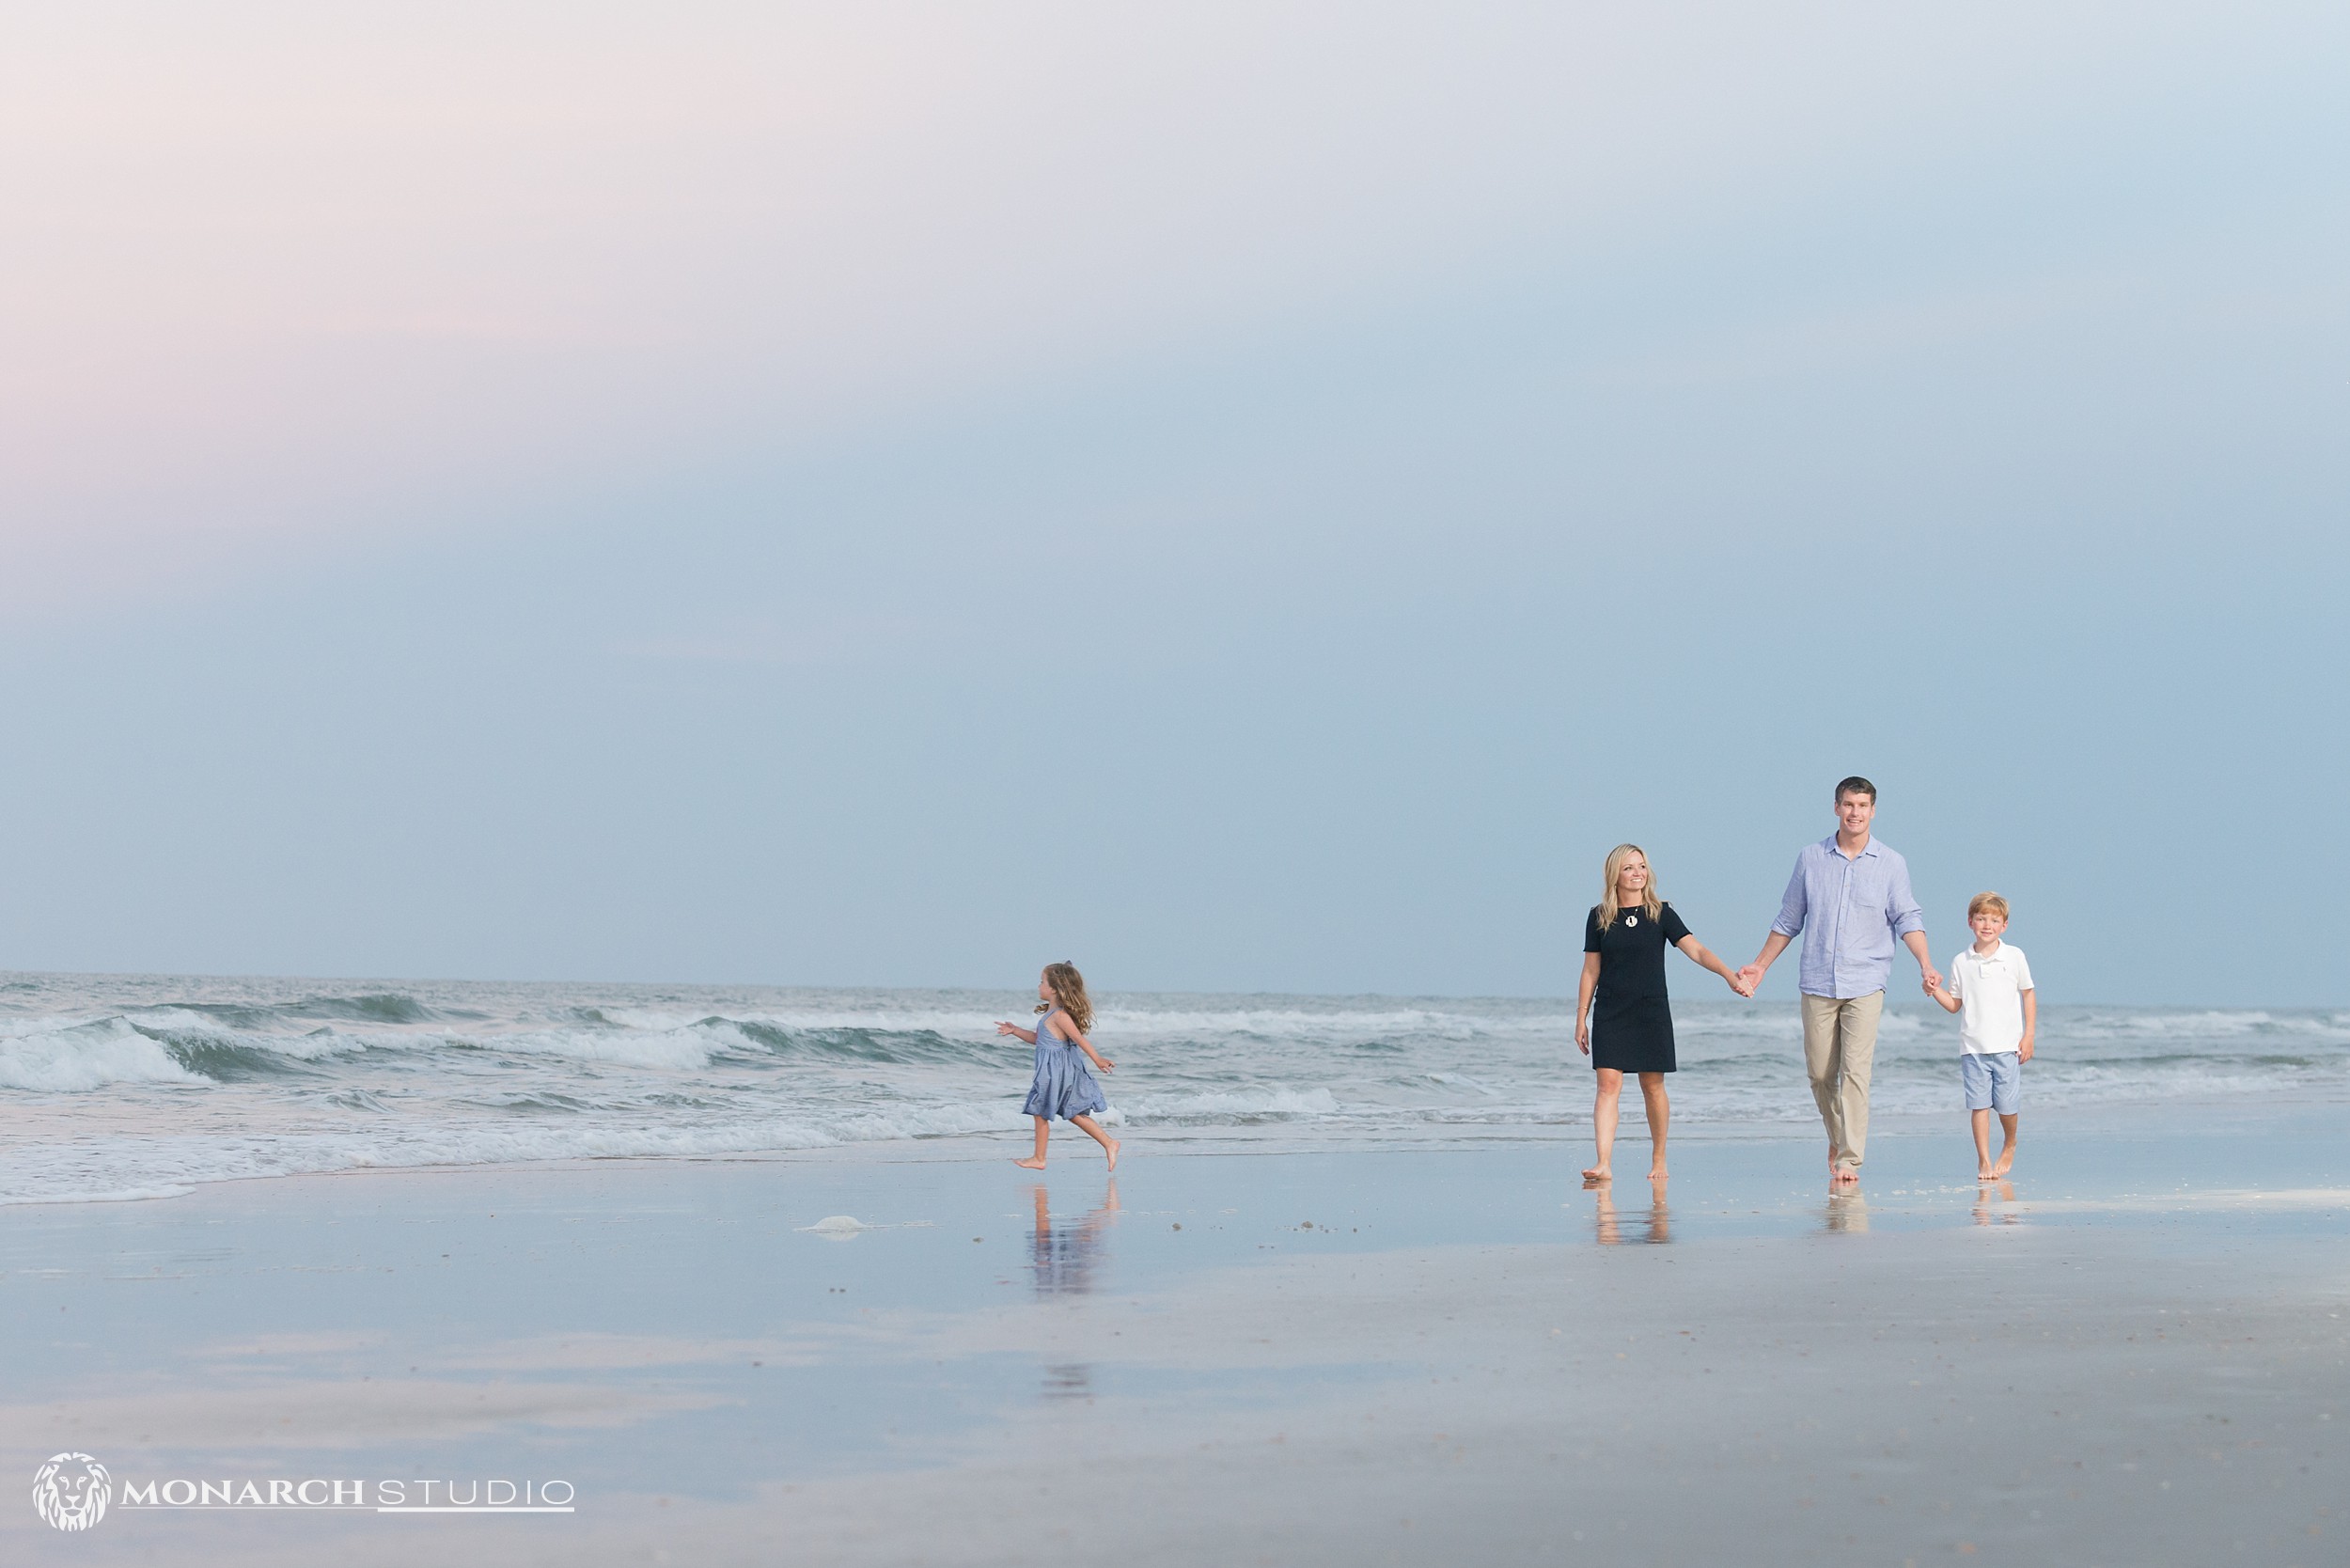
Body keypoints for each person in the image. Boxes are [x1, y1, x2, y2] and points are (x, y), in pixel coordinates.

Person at [1735, 776, 1935, 1185]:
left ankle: (1850, 1158)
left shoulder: (1891, 863)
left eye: (1862, 805)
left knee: (1856, 1071)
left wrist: (1925, 964)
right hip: (1817, 980)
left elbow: (1907, 918)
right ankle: (1837, 1135)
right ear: (1836, 807)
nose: (1855, 812)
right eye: (1848, 804)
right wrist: (1760, 965)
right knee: (1821, 1074)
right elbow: (1789, 919)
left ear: (1873, 810)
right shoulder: (1810, 858)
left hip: (1867, 980)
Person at [1574, 844, 1750, 1184]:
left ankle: (1659, 1158)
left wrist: (1729, 975)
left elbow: (1696, 950)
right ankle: (1603, 1163)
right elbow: (1590, 971)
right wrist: (1581, 1016)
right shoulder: (1599, 916)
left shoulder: (1661, 913)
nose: (1637, 873)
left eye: (1641, 866)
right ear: (1615, 874)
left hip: (1650, 1009)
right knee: (1607, 1085)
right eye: (1628, 868)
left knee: (1652, 1085)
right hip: (1611, 1009)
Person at [1925, 892, 2036, 1179]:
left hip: (2007, 1046)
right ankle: (1984, 1161)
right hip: (1972, 1047)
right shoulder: (1961, 961)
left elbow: (2028, 994)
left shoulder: (2014, 956)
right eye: (1981, 918)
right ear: (1970, 922)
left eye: (1994, 920)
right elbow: (1954, 1005)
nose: (1987, 924)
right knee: (1979, 1106)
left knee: (2007, 1107)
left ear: (2004, 925)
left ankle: (2010, 1143)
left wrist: (2028, 1036)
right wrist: (1933, 990)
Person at [996, 962, 1120, 1171]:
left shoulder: (1060, 1016)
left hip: (1056, 1072)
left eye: (1042, 981)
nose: (1038, 986)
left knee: (1040, 1109)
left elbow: (1079, 1039)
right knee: (1072, 1112)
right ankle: (1110, 1143)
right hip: (1058, 1071)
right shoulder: (1051, 1014)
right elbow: (1038, 1039)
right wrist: (1015, 1030)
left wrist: (1097, 1059)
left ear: (1053, 988)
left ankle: (1039, 1158)